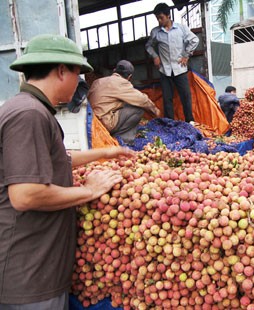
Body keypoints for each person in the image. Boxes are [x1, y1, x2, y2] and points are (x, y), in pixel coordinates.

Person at [0, 34, 133, 309]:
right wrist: (89, 190)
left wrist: (107, 152)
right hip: (28, 277)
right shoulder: (29, 115)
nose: (80, 84)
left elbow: (55, 159)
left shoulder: (28, 109)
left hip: (37, 270)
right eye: (78, 74)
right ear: (62, 70)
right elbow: (25, 195)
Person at [145, 3, 199, 122]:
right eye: (157, 18)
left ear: (168, 16)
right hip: (165, 71)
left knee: (186, 97)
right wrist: (155, 56)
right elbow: (148, 46)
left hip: (180, 69)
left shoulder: (181, 29)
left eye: (161, 18)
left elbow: (194, 40)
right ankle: (170, 123)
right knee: (167, 98)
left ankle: (190, 121)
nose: (159, 21)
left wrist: (186, 55)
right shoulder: (155, 32)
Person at [88, 60, 160, 143]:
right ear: (129, 76)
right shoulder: (122, 82)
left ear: (114, 70)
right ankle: (123, 139)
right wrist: (155, 111)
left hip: (93, 124)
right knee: (138, 109)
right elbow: (142, 100)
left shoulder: (97, 81)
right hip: (105, 123)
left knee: (124, 102)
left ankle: (111, 135)